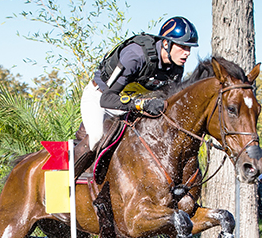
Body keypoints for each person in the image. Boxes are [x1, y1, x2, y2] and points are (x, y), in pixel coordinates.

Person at [75, 16, 198, 175]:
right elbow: (107, 99)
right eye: (182, 47)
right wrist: (142, 104)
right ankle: (68, 178)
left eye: (189, 48)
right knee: (96, 137)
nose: (187, 53)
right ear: (166, 43)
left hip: (128, 106)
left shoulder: (176, 68)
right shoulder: (136, 55)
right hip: (100, 99)